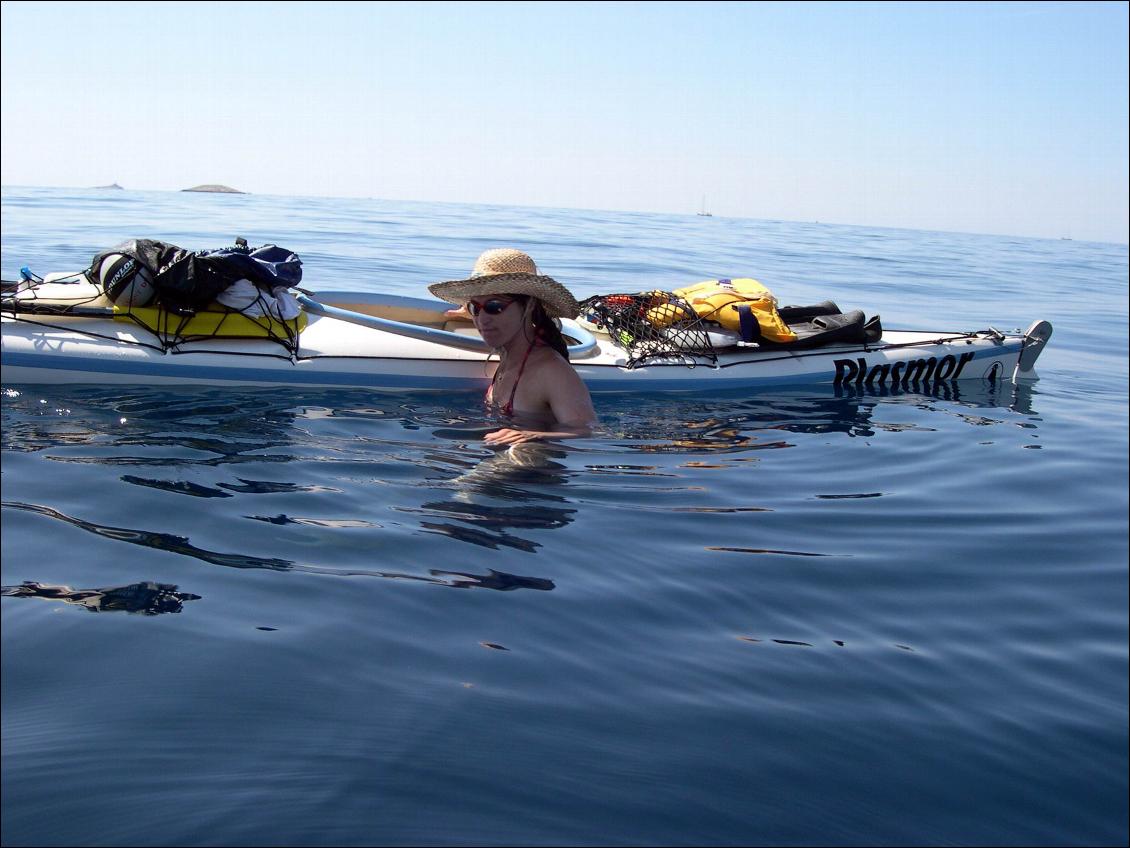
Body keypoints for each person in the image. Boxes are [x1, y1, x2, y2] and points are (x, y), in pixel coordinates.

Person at [429, 248, 596, 444]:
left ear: (529, 306)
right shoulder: (508, 349)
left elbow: (588, 431)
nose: (482, 320)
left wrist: (532, 436)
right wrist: (472, 310)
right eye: (475, 308)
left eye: (494, 307)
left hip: (532, 464)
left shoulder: (551, 371)